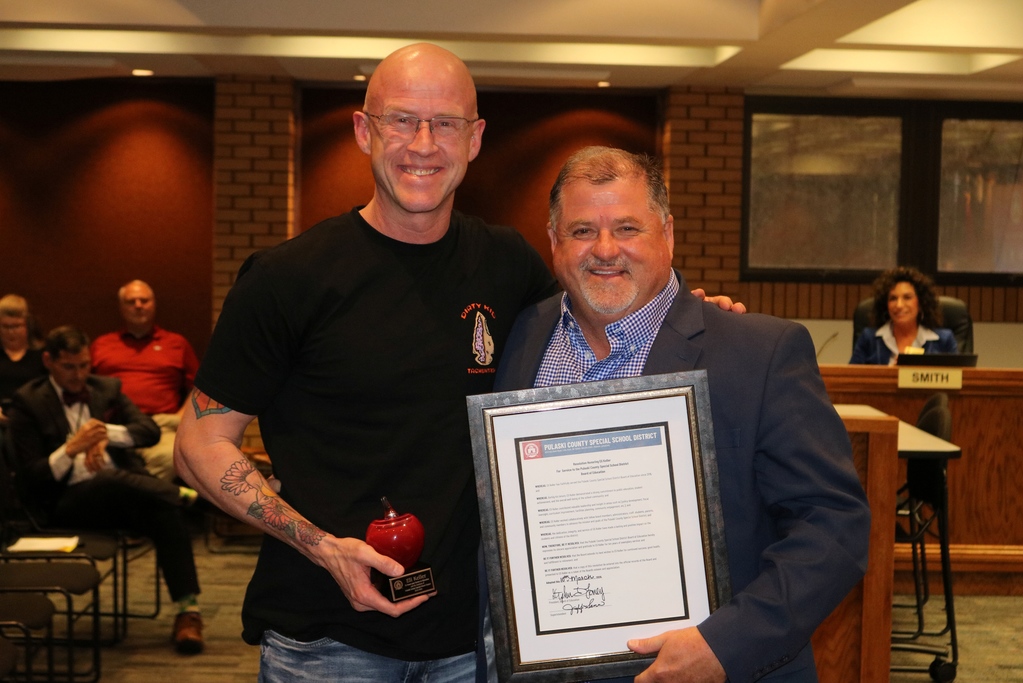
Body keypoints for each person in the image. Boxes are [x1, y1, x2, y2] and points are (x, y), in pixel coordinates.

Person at [174, 44, 742, 682]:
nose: (423, 143)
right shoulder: (287, 278)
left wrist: (690, 315)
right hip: (328, 641)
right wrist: (322, 547)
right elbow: (199, 440)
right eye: (401, 120)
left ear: (474, 140)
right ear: (364, 131)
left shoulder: (506, 263)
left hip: (477, 642)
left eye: (444, 123)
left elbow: (602, 316)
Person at [494, 147, 872, 683]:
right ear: (553, 242)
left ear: (667, 234)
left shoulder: (758, 352)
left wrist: (724, 646)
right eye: (581, 231)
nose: (604, 250)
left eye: (627, 227)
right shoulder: (523, 338)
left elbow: (834, 525)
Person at [6, 325, 205, 654]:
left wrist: (104, 433)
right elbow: (32, 477)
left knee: (163, 511)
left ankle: (188, 612)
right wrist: (72, 449)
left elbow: (149, 431)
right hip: (61, 501)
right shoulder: (28, 401)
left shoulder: (106, 388)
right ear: (48, 361)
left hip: (119, 496)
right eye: (70, 367)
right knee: (111, 479)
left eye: (84, 365)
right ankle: (190, 497)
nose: (79, 374)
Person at [90, 280, 200, 480]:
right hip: (113, 426)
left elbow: (199, 388)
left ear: (154, 304)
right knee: (95, 463)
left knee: (173, 457)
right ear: (121, 308)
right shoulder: (101, 344)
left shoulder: (177, 343)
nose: (138, 305)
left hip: (162, 426)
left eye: (144, 300)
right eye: (131, 301)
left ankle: (144, 497)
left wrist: (180, 416)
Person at [849, 266, 957, 365]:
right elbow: (850, 380)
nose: (899, 305)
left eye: (907, 297)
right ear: (886, 305)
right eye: (893, 299)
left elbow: (959, 380)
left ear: (921, 303)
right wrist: (891, 373)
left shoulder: (944, 341)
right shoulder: (869, 339)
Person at [0, 294, 46, 424]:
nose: (11, 332)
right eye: (5, 327)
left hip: (34, 419)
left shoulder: (42, 355)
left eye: (16, 326)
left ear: (28, 326)